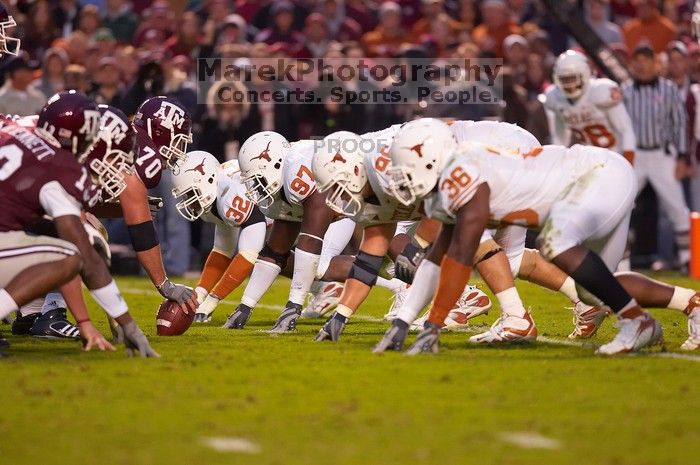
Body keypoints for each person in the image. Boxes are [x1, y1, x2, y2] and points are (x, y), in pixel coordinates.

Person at [383, 119, 699, 355]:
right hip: (599, 179)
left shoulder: (464, 173)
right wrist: (404, 321)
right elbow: (439, 259)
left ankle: (637, 322)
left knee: (555, 244)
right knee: (595, 289)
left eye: (407, 164)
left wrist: (432, 326)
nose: (403, 173)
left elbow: (461, 255)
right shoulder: (450, 184)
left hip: (598, 174)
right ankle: (691, 303)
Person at [0, 91, 157, 356]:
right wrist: (127, 323)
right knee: (73, 253)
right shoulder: (60, 170)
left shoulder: (16, 126)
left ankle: (31, 311)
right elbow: (82, 252)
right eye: (112, 156)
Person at [221, 131, 357, 332]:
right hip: (353, 209)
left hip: (372, 196)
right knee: (393, 262)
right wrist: (245, 306)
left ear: (275, 164)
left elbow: (310, 240)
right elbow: (275, 251)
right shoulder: (284, 186)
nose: (255, 188)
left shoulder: (298, 170)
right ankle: (402, 286)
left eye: (257, 179)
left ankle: (402, 290)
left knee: (323, 262)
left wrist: (293, 306)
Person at [90, 96, 198, 314]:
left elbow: (83, 202)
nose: (179, 148)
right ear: (161, 130)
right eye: (178, 139)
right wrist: (163, 284)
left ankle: (33, 312)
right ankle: (51, 310)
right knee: (86, 238)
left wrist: (127, 207)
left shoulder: (128, 136)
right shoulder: (145, 157)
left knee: (90, 228)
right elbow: (142, 233)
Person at [170, 151, 267, 323]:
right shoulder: (217, 194)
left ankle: (320, 289)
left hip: (286, 208)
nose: (189, 201)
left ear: (207, 181)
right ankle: (321, 290)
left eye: (190, 194)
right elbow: (222, 251)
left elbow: (248, 255)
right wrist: (199, 296)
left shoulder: (230, 194)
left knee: (272, 255)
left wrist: (212, 300)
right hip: (270, 212)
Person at [622, 45, 690, 269]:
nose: (641, 65)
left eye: (645, 60)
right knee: (621, 205)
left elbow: (680, 124)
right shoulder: (625, 90)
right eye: (637, 60)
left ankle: (687, 259)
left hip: (661, 154)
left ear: (655, 63)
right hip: (635, 156)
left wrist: (681, 157)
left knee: (677, 208)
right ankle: (619, 258)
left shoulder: (668, 89)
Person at [542, 50, 636, 163]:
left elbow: (625, 129)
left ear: (585, 73)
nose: (570, 85)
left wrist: (628, 160)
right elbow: (560, 138)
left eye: (572, 78)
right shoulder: (556, 99)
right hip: (589, 160)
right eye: (565, 79)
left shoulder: (600, 91)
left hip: (616, 156)